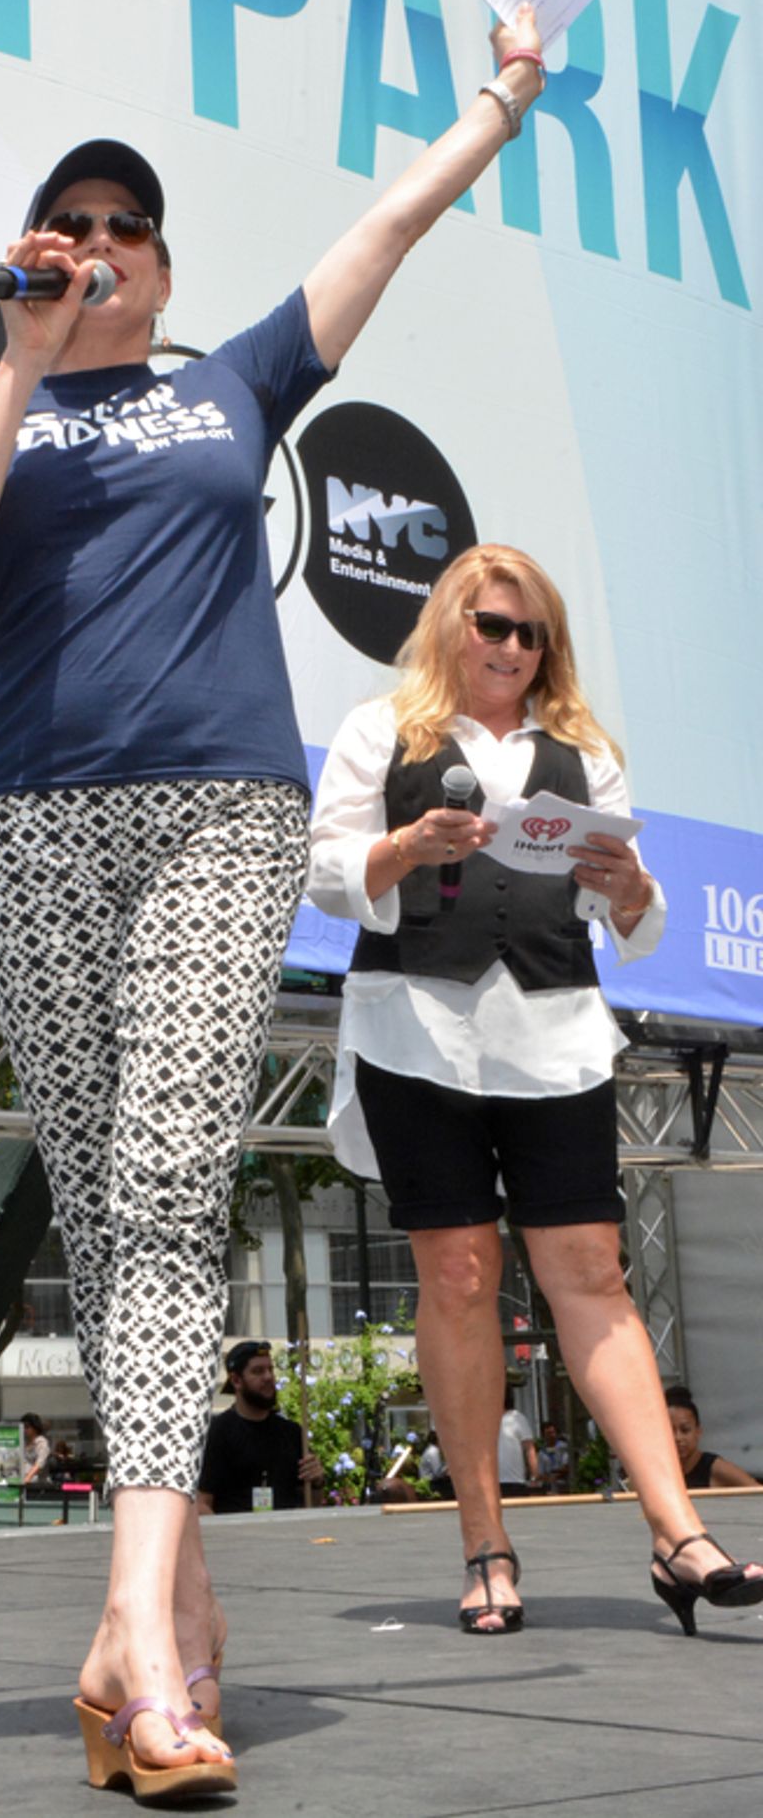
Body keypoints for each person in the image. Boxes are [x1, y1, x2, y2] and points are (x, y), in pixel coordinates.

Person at [0, 6, 550, 1786]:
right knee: (108, 1219)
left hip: (219, 812)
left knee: (174, 1187)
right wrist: (22, 354)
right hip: (23, 818)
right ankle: (176, 1616)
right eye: (73, 224)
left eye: (132, 227)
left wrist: (499, 103)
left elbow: (386, 229)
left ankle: (132, 1638)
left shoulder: (233, 382)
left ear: (168, 269)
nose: (102, 243)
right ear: (39, 252)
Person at [308, 542, 763, 1639]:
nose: (512, 647)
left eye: (531, 632)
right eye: (493, 626)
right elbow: (325, 873)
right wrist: (404, 846)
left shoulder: (583, 752)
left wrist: (629, 887)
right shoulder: (382, 730)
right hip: (414, 1032)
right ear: (450, 627)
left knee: (591, 1272)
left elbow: (633, 921)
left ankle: (676, 1531)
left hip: (553, 1036)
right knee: (459, 1275)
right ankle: (485, 1543)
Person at [197, 1341, 324, 1516]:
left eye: (270, 1369)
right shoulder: (217, 1433)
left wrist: (317, 1481)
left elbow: (312, 1503)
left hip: (288, 1530)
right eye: (258, 1371)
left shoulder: (292, 1433)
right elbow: (201, 1504)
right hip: (237, 1531)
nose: (268, 1377)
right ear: (236, 1380)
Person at [664, 1387, 761, 1491]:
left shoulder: (716, 1468)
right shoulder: (658, 1469)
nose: (678, 1438)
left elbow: (757, 1493)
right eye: (670, 1431)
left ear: (698, 1432)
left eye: (685, 1430)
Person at [497, 1389, 538, 1497]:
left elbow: (529, 1449)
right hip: (491, 1482)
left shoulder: (517, 1418)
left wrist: (534, 1476)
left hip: (515, 1481)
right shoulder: (483, 1419)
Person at [21, 1413, 51, 1494]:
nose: (24, 1430)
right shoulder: (24, 1442)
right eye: (23, 1427)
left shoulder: (42, 1443)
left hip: (38, 1486)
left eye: (27, 1427)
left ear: (35, 1427)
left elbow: (39, 1464)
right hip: (24, 1484)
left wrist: (28, 1478)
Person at [536, 1420, 569, 1493]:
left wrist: (556, 1475)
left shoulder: (564, 1447)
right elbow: (540, 1473)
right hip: (548, 1487)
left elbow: (567, 1467)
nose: (551, 1435)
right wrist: (548, 1478)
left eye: (553, 1432)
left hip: (563, 1484)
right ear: (543, 1436)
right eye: (548, 1433)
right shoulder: (541, 1453)